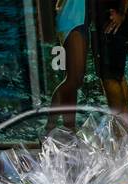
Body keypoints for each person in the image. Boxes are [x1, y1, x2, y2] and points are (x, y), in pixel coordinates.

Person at [48, 0, 89, 130]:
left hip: (79, 19)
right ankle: (50, 126)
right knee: (72, 80)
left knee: (76, 80)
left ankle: (69, 127)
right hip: (72, 19)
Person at [94, 1, 128, 119]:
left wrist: (121, 13)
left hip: (111, 19)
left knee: (110, 77)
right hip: (112, 18)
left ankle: (120, 131)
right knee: (117, 76)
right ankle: (124, 129)